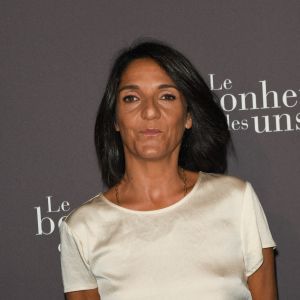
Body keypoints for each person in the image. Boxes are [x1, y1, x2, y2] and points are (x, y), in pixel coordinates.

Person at [59, 40, 277, 300]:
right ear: (116, 119)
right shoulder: (83, 228)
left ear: (188, 117)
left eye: (166, 96)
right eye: (131, 98)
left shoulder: (237, 201)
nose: (150, 111)